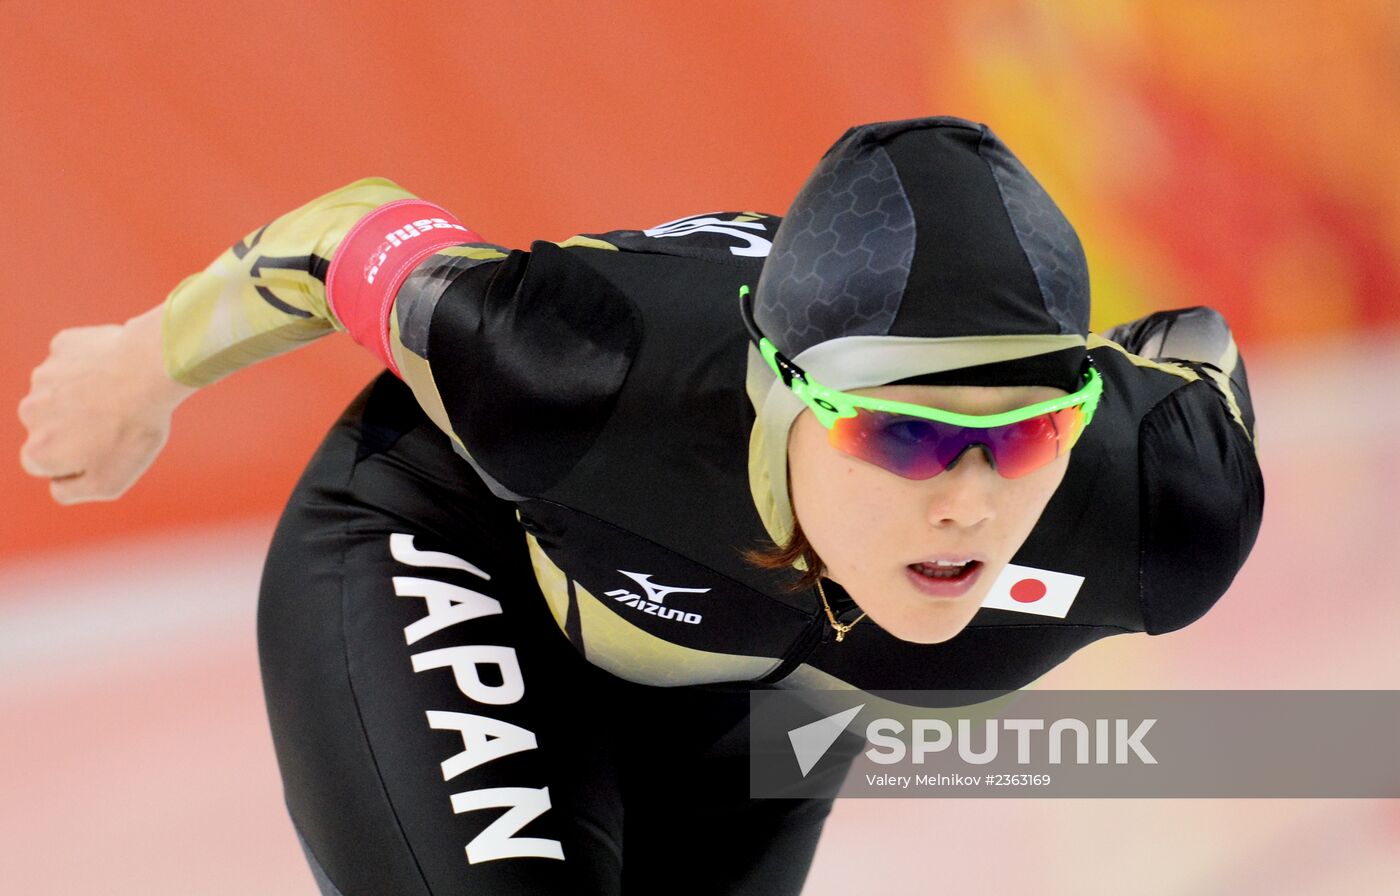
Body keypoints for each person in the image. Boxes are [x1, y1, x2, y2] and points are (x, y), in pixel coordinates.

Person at [18, 116, 1263, 895]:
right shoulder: (581, 371)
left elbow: (1187, 345)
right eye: (904, 432)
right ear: (777, 392)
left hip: (743, 682)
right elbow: (351, 238)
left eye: (1028, 430)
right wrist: (139, 368)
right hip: (461, 539)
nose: (969, 505)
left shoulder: (1162, 503)